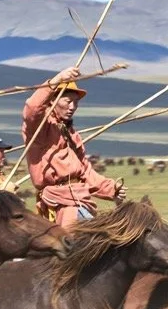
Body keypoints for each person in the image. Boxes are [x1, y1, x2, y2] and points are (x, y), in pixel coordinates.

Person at [22, 65, 127, 226]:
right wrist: (57, 80)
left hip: (80, 199)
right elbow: (32, 108)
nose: (73, 107)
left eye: (76, 102)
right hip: (61, 202)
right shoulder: (41, 127)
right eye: (68, 101)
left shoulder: (71, 133)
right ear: (53, 100)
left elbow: (85, 171)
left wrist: (112, 189)